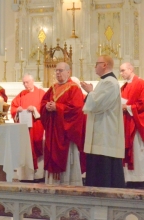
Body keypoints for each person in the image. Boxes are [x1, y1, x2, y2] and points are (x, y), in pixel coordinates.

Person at [80, 55, 125, 188]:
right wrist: (91, 93)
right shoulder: (105, 82)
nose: (95, 66)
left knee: (104, 174)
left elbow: (98, 104)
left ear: (104, 65)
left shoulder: (110, 82)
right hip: (101, 133)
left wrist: (90, 92)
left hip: (106, 135)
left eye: (97, 63)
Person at [40, 62, 85, 186]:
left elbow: (77, 109)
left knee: (67, 157)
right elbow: (43, 102)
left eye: (60, 70)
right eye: (56, 71)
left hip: (66, 132)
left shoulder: (74, 88)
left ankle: (68, 183)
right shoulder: (53, 87)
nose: (58, 73)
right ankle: (52, 183)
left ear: (68, 72)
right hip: (53, 130)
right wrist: (46, 106)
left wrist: (57, 107)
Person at [11, 74, 45, 181]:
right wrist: (18, 110)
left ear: (33, 81)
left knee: (37, 146)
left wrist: (34, 109)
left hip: (37, 126)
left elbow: (44, 107)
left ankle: (39, 175)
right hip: (24, 128)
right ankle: (25, 175)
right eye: (24, 83)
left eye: (27, 82)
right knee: (25, 149)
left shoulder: (41, 93)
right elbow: (13, 106)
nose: (25, 85)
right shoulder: (21, 94)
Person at [120, 62, 144, 188]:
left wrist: (127, 107)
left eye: (123, 70)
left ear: (131, 69)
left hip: (135, 123)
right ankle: (129, 178)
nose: (121, 73)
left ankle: (139, 178)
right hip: (125, 121)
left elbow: (142, 103)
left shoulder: (141, 83)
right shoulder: (123, 87)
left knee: (137, 151)